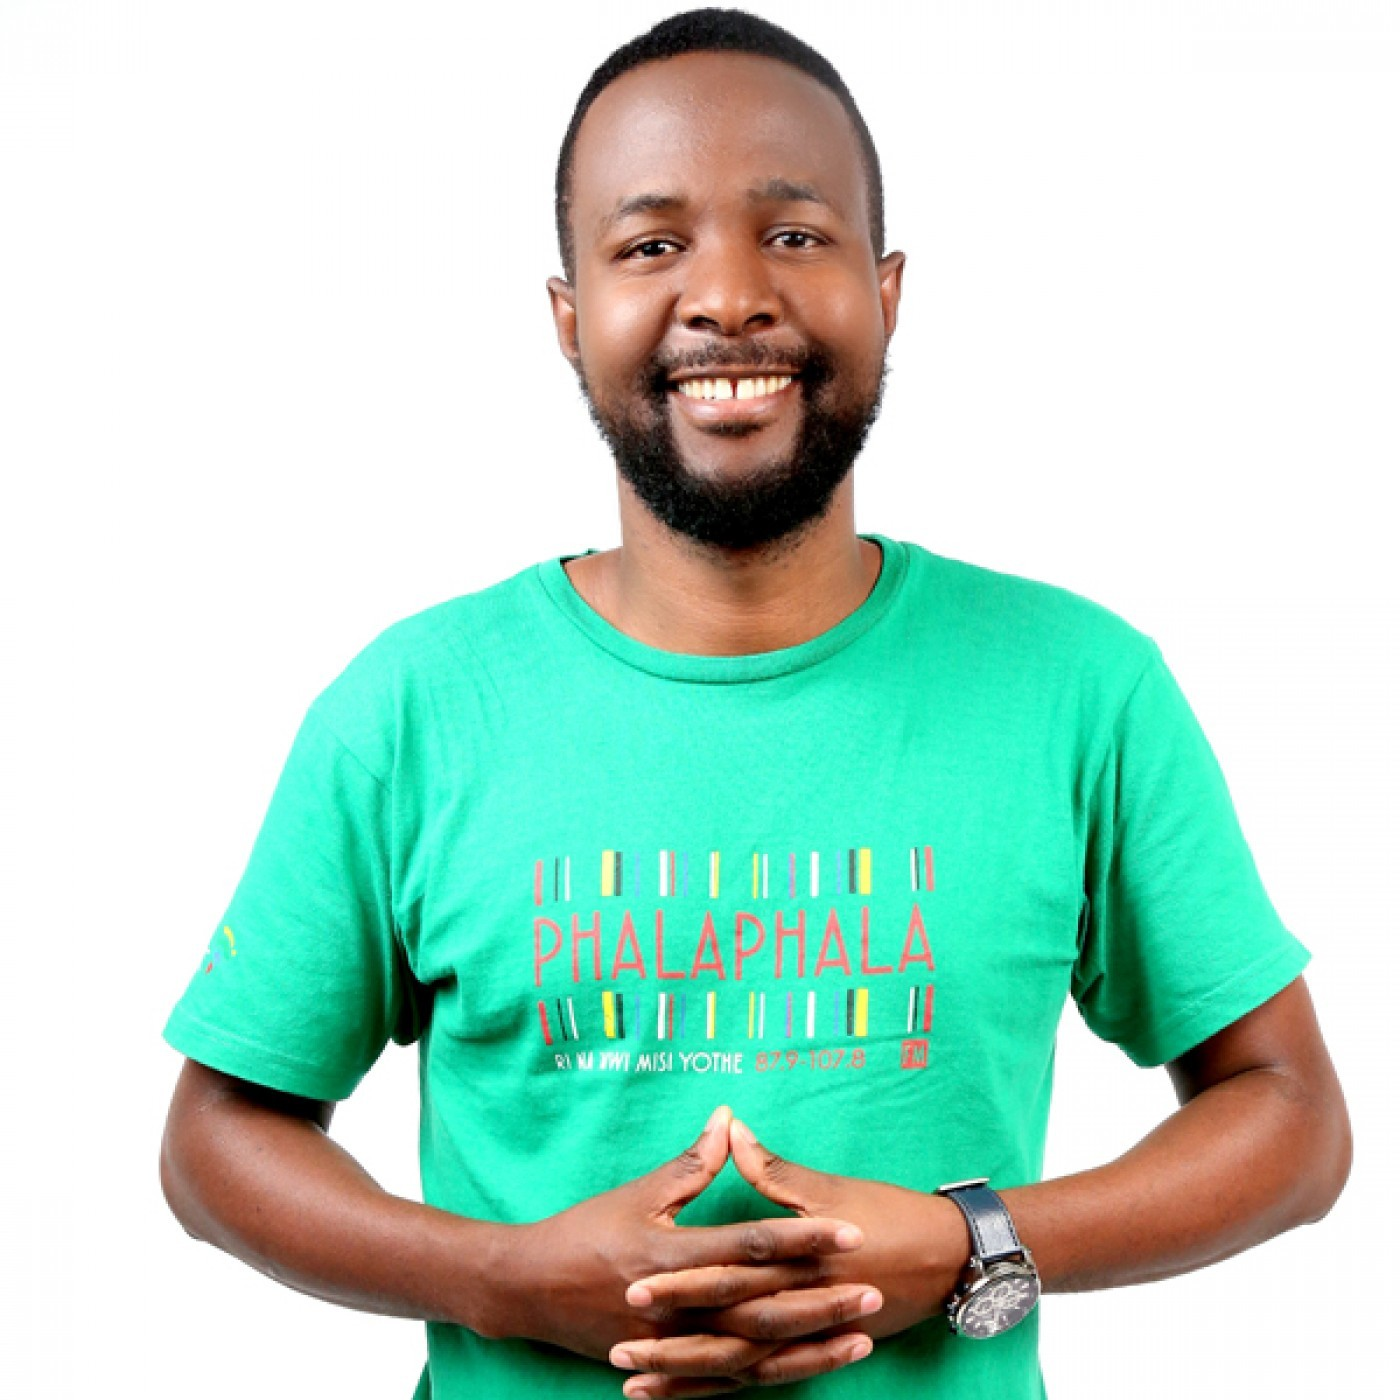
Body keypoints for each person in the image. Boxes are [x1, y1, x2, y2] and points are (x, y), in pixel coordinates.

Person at [158, 8, 1352, 1399]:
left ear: (886, 293)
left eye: (793, 234)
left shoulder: (1081, 688)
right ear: (569, 318)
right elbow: (214, 1141)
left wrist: (975, 1241)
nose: (727, 295)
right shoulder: (413, 710)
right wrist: (504, 1279)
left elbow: (1293, 1118)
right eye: (650, 245)